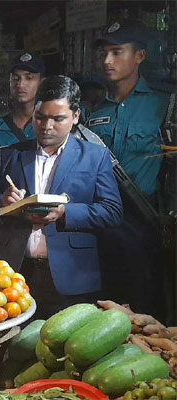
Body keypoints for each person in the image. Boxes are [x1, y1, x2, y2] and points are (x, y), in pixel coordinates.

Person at [0, 76, 123, 319]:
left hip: (71, 276)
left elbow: (112, 211)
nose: (47, 126)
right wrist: (2, 202)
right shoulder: (11, 155)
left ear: (76, 116)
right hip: (14, 273)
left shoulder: (94, 157)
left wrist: (65, 212)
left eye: (58, 119)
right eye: (40, 117)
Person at [87, 20, 173, 315]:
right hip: (103, 226)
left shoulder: (164, 106)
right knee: (106, 309)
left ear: (139, 56)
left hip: (147, 226)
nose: (107, 61)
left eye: (116, 52)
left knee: (148, 310)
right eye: (104, 54)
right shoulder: (92, 111)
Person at [0, 52, 44, 252]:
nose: (21, 84)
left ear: (42, 82)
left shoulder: (50, 128)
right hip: (5, 221)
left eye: (29, 78)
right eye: (16, 78)